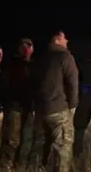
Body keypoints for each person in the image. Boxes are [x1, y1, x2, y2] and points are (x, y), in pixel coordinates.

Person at [32, 31, 78, 172]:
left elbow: (33, 83)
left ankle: (40, 168)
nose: (67, 41)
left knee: (42, 145)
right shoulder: (65, 57)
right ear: (57, 40)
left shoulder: (40, 58)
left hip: (41, 111)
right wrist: (72, 106)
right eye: (65, 39)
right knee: (62, 148)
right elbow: (73, 84)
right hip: (59, 110)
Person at [0, 38, 34, 169]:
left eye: (29, 46)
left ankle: (20, 167)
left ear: (32, 49)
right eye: (23, 46)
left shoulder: (34, 66)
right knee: (11, 141)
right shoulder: (11, 65)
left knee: (27, 141)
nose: (26, 49)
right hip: (14, 108)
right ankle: (5, 167)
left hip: (29, 109)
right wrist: (7, 103)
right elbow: (3, 86)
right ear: (19, 49)